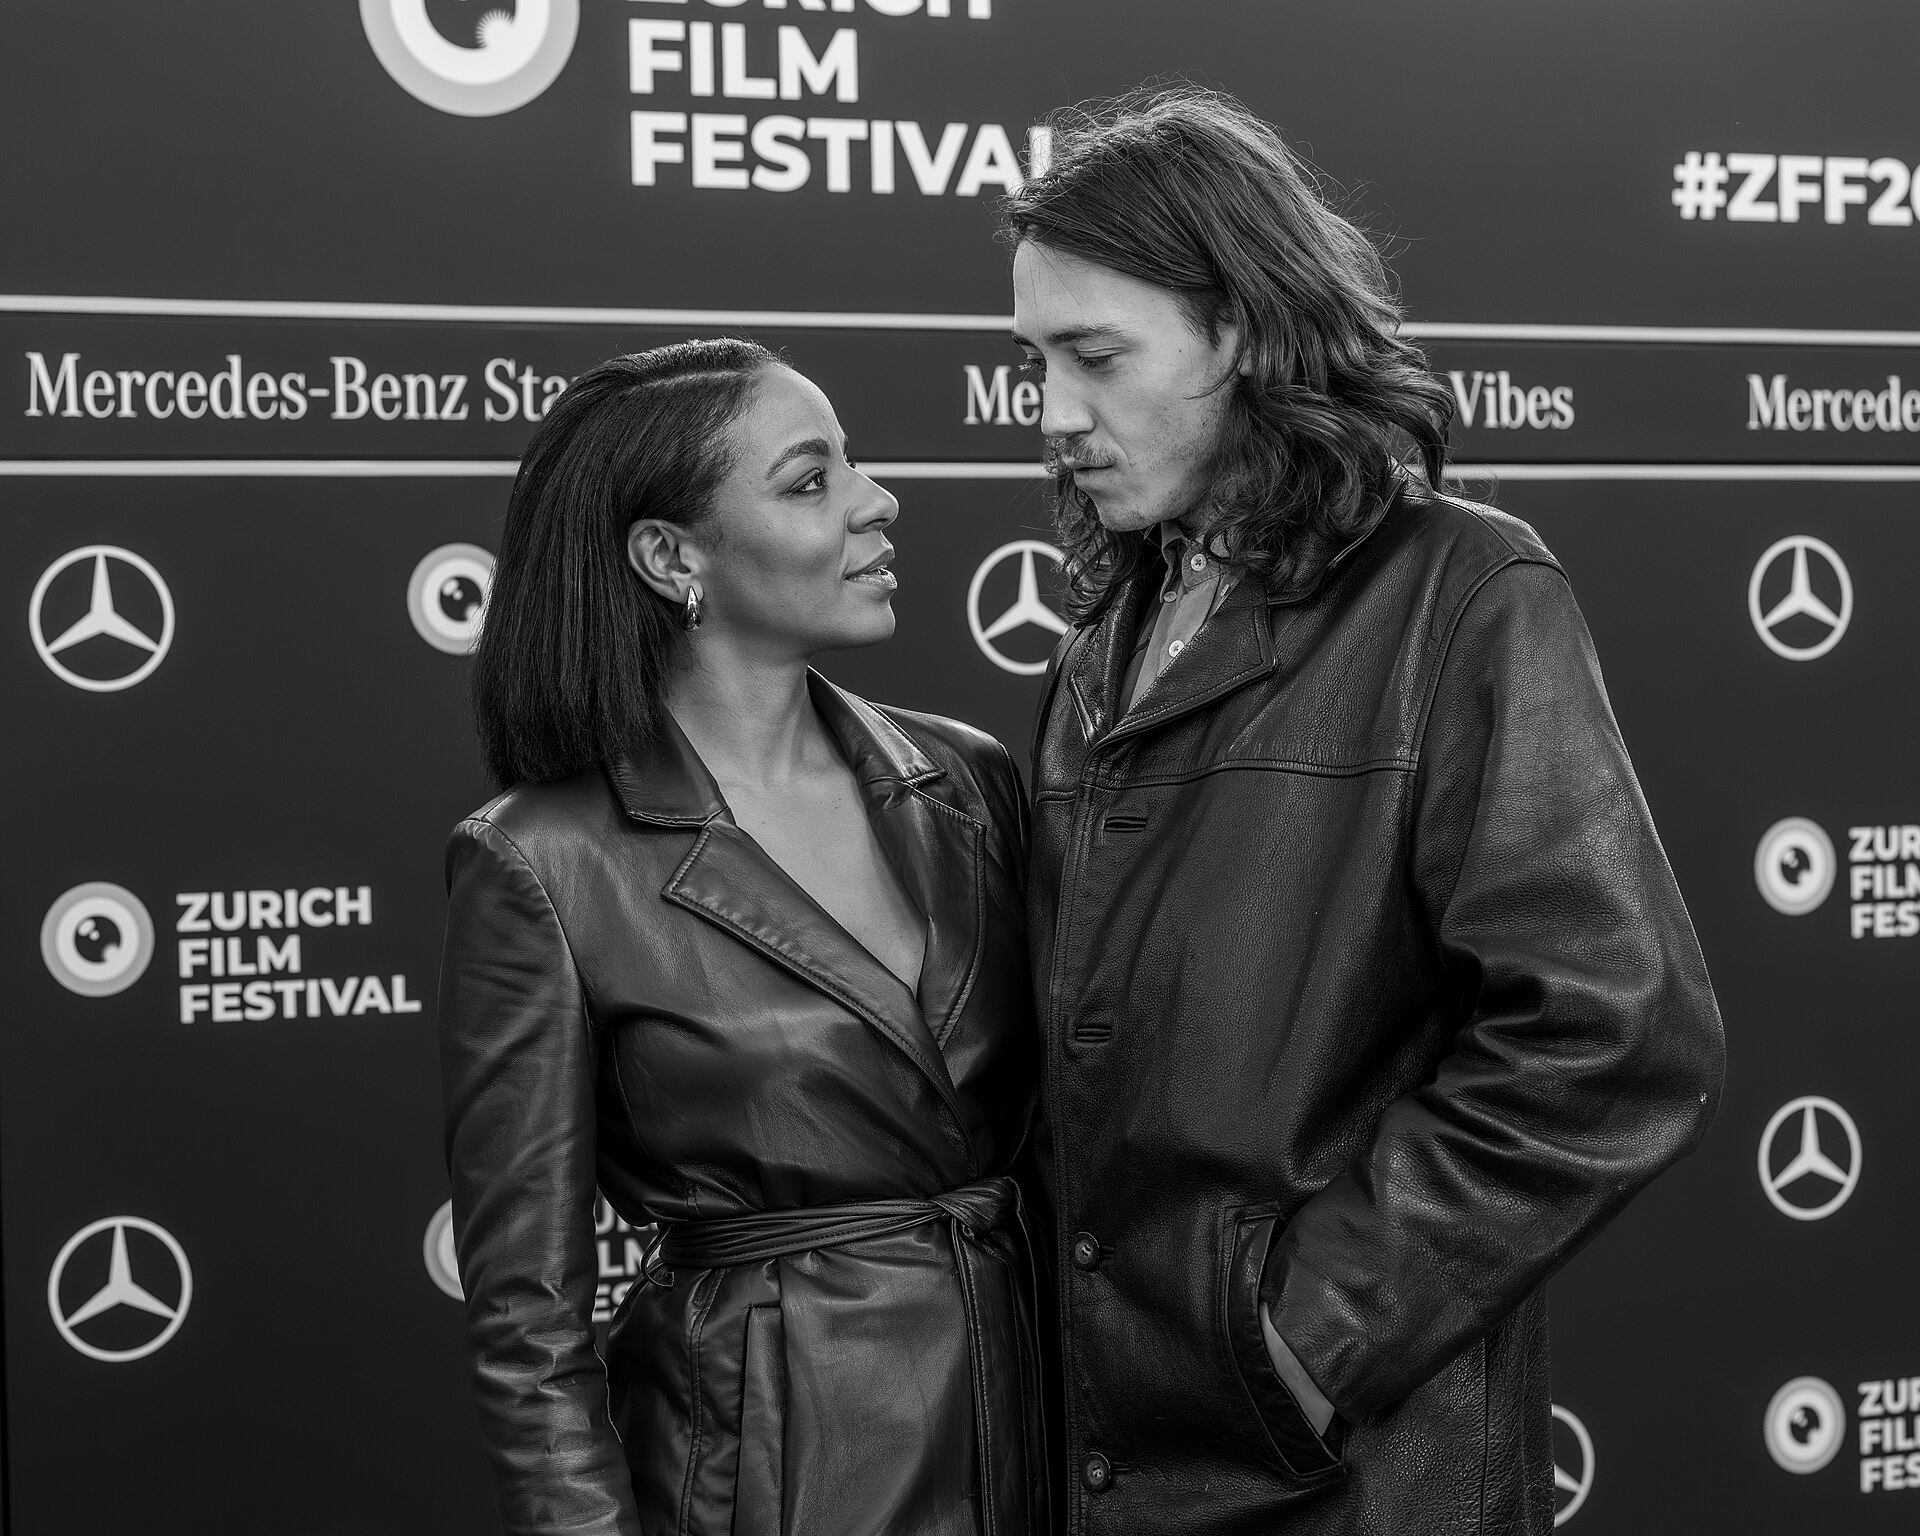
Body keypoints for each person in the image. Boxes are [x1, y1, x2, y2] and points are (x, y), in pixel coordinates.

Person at [1005, 89, 1725, 1533]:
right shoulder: (1104, 637)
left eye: (1094, 356)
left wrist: (1306, 1338)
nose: (1054, 416)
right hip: (1109, 1458)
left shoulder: (1460, 592)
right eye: (1032, 361)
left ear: (1246, 333)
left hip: (1348, 1477)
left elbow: (1616, 1030)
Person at [439, 340, 1046, 1536]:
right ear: (672, 557)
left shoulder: (969, 778)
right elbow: (529, 1328)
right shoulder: (541, 859)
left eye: (853, 466)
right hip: (771, 1475)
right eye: (811, 480)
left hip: (1037, 1435)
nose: (880, 500)